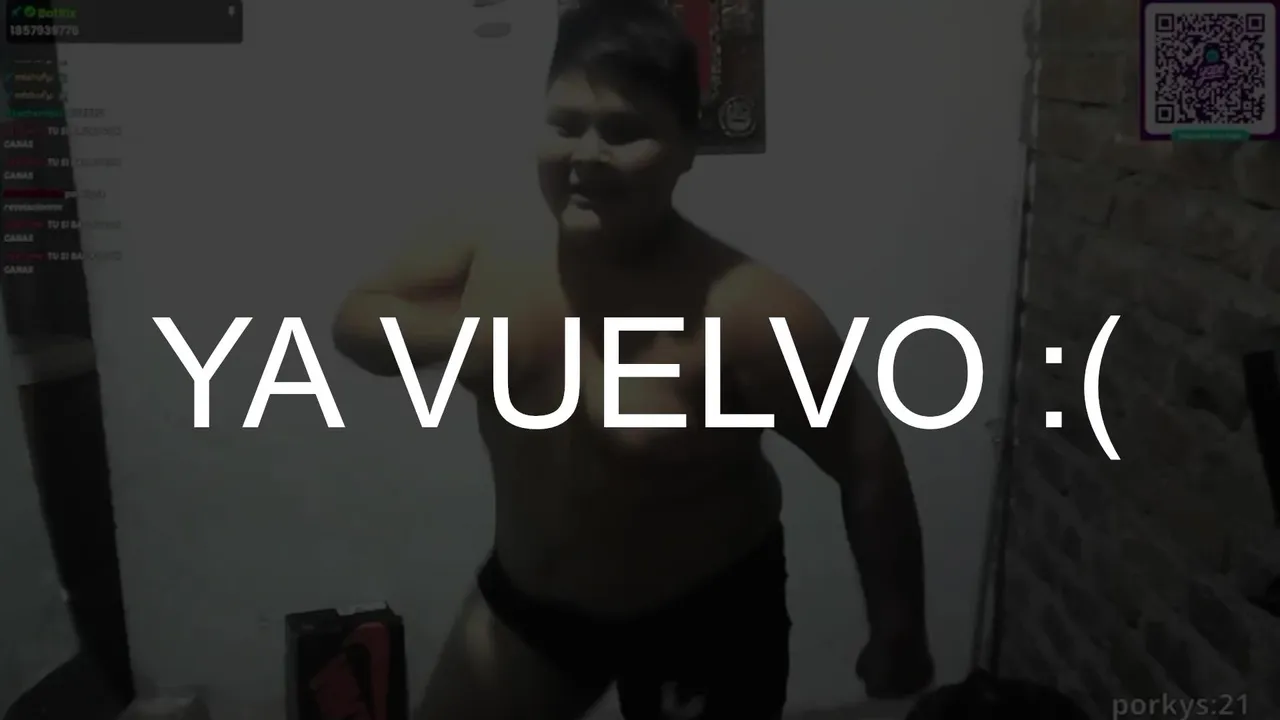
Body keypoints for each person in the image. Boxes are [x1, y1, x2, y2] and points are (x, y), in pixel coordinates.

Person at [332, 1, 933, 717]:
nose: (586, 155)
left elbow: (867, 459)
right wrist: (463, 337)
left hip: (702, 618)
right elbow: (355, 321)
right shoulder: (488, 245)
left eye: (623, 131)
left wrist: (898, 630)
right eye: (565, 124)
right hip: (531, 605)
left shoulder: (749, 312)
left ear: (685, 148)